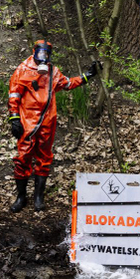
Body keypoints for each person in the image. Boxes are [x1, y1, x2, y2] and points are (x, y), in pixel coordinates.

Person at [8, 40, 100, 212]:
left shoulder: (53, 72)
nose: (44, 57)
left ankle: (38, 198)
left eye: (47, 54)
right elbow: (14, 94)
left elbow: (67, 84)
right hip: (27, 121)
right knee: (23, 158)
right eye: (41, 53)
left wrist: (87, 76)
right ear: (34, 52)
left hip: (47, 120)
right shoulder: (23, 70)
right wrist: (14, 118)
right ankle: (21, 197)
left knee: (44, 158)